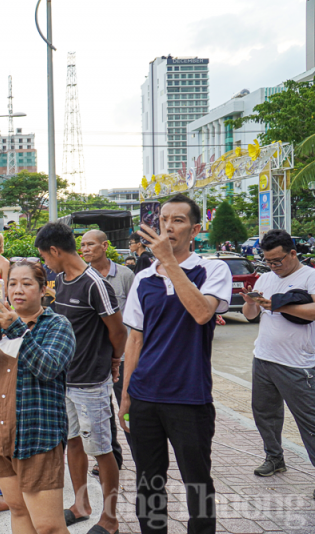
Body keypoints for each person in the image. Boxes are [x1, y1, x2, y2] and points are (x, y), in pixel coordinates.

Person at [119, 194, 232, 534]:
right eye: (164, 219)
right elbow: (134, 339)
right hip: (144, 397)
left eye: (178, 220)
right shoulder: (143, 279)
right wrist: (125, 396)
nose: (168, 225)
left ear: (195, 229)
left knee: (197, 482)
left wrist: (170, 263)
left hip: (189, 397)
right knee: (148, 483)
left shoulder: (212, 269)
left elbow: (201, 313)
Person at [0, 261, 76, 534]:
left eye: (27, 284)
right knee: (18, 511)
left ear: (43, 290)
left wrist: (17, 327)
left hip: (36, 436)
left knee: (49, 526)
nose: (18, 290)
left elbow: (48, 368)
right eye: (13, 284)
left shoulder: (57, 325)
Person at [37, 222, 126, 534]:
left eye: (44, 257)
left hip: (91, 382)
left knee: (102, 450)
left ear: (55, 251)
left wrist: (114, 361)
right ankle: (81, 505)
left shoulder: (94, 283)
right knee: (72, 443)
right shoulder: (60, 280)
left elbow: (118, 331)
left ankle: (111, 518)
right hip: (65, 380)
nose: (45, 264)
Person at [241, 229, 315, 493]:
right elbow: (251, 315)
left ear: (293, 253)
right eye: (268, 261)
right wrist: (251, 302)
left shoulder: (310, 277)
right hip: (263, 358)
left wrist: (276, 305)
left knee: (309, 421)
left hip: (297, 364)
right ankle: (274, 458)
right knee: (265, 414)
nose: (273, 266)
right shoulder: (266, 277)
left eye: (278, 260)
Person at [81, 230, 135, 473]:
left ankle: (142, 458)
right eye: (82, 245)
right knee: (102, 412)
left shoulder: (125, 275)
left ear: (105, 246)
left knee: (129, 408)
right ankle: (111, 460)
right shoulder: (82, 277)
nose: (85, 249)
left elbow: (137, 315)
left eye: (90, 244)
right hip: (96, 357)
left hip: (124, 356)